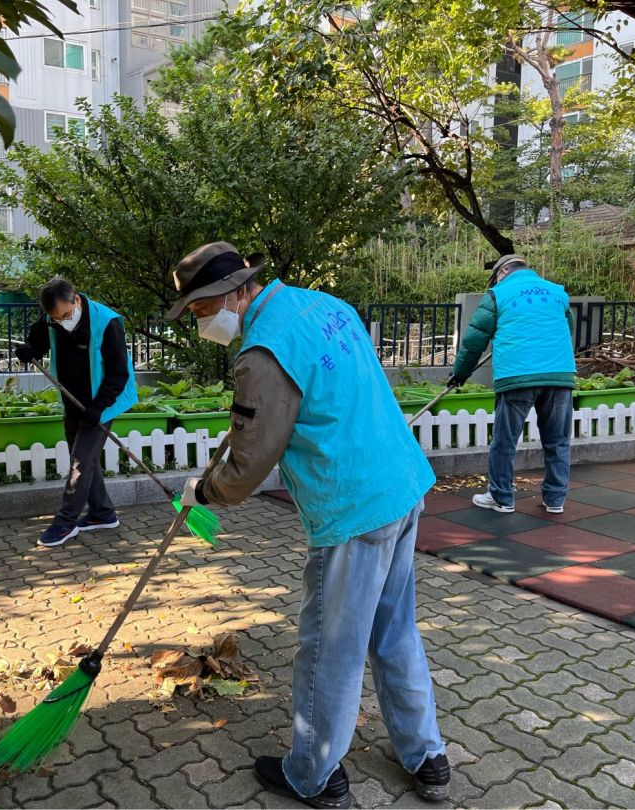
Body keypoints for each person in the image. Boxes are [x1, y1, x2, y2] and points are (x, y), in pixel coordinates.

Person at [170, 241, 450, 808]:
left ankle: (315, 773)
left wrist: (204, 490)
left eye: (200, 310)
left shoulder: (262, 353)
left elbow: (248, 467)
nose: (201, 324)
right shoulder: (323, 305)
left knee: (329, 648)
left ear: (232, 293)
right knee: (393, 629)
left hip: (353, 508)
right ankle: (428, 757)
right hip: (400, 483)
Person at [448, 253, 576, 514]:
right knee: (558, 441)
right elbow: (567, 329)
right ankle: (555, 500)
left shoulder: (498, 293)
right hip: (559, 374)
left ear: (503, 272)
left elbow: (474, 340)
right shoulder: (557, 292)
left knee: (505, 441)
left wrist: (460, 373)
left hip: (517, 375)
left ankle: (501, 497)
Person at [15, 277, 138, 547]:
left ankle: (66, 522)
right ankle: (102, 513)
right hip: (72, 399)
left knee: (80, 463)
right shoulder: (52, 319)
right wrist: (29, 350)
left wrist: (98, 407)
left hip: (103, 401)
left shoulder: (108, 322)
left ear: (77, 300)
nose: (62, 321)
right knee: (84, 458)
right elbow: (38, 342)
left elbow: (119, 373)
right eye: (56, 318)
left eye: (66, 315)